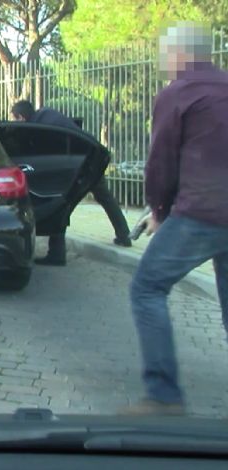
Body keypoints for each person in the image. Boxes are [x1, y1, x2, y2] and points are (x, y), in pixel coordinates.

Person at [123, 22, 228, 416]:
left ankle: (164, 396)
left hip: (201, 212)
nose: (163, 63)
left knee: (147, 288)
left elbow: (161, 162)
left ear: (180, 55)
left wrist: (159, 212)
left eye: (165, 55)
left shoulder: (179, 92)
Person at [12, 100, 132, 266]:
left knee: (59, 205)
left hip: (80, 165)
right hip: (90, 158)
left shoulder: (41, 126)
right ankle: (124, 235)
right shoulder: (47, 115)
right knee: (103, 197)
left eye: (15, 119)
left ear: (21, 117)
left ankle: (57, 254)